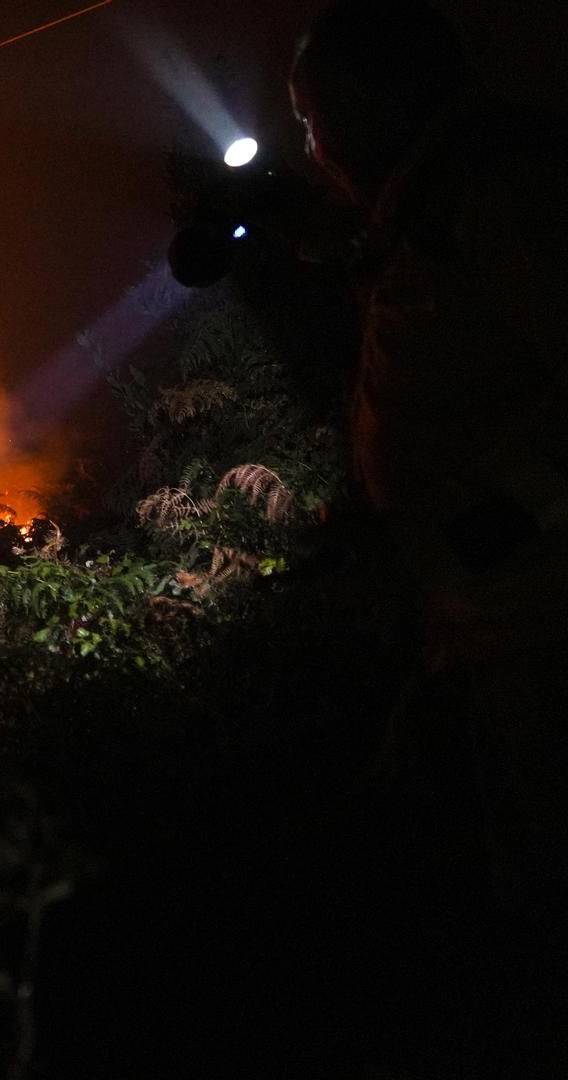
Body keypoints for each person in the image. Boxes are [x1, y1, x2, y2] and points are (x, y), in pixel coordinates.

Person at [291, 1, 568, 1070]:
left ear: (373, 103)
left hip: (544, 633)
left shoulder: (499, 199)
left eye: (318, 120)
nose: (315, 152)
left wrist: (476, 537)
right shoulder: (439, 209)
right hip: (490, 639)